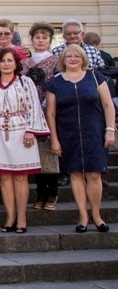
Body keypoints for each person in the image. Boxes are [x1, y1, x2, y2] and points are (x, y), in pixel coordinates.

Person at [46, 44, 116, 233]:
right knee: (75, 174)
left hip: (94, 131)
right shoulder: (55, 82)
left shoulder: (95, 77)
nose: (73, 58)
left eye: (77, 55)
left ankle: (96, 215)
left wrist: (110, 129)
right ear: (63, 60)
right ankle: (83, 216)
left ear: (83, 58)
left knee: (94, 174)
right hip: (67, 133)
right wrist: (54, 139)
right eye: (69, 56)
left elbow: (108, 104)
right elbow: (50, 113)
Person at [0, 48, 49, 234]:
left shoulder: (25, 81)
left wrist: (31, 130)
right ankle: (10, 216)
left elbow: (34, 106)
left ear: (16, 63)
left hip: (21, 131)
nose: (6, 64)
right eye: (3, 61)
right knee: (4, 177)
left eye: (10, 60)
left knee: (21, 177)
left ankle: (22, 217)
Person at [21, 22, 60, 210]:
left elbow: (58, 84)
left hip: (48, 109)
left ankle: (51, 193)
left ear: (49, 40)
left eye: (44, 37)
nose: (41, 40)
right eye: (38, 37)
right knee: (35, 153)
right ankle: (40, 191)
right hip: (29, 111)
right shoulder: (25, 63)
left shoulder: (56, 61)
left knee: (49, 153)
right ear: (32, 40)